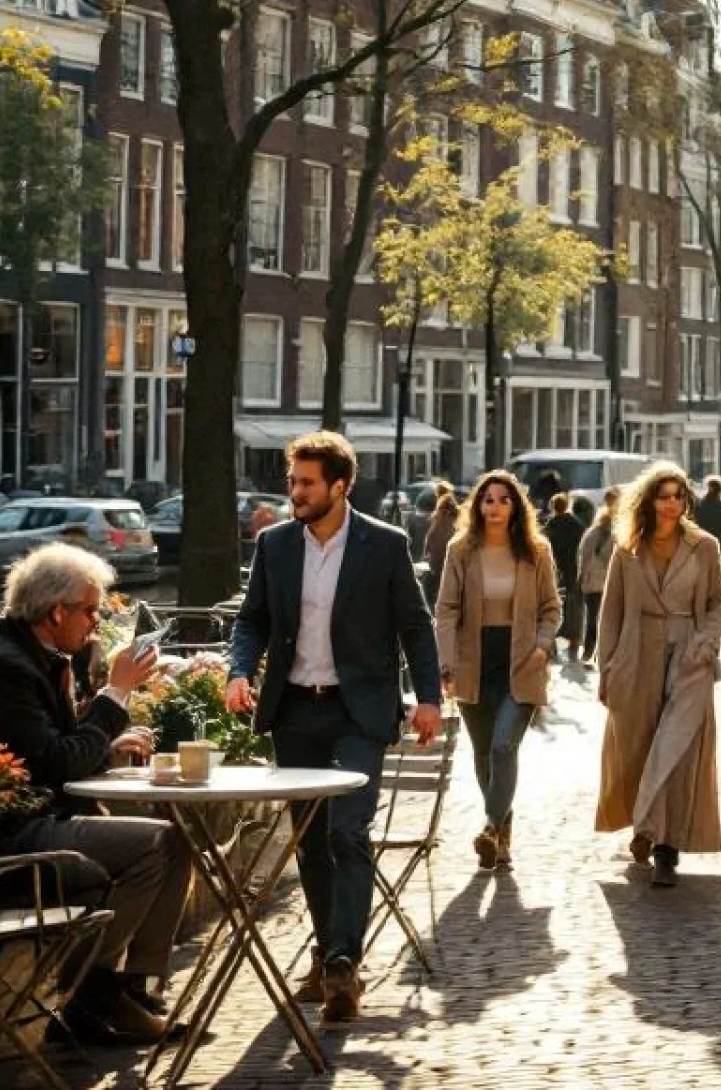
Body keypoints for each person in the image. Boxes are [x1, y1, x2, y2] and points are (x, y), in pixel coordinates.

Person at [0, 543, 192, 1045]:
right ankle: (92, 993)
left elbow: (53, 749)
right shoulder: (5, 667)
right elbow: (58, 764)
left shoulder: (32, 654)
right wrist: (115, 696)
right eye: (90, 611)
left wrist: (107, 742)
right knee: (155, 845)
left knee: (174, 838)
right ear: (56, 612)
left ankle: (131, 989)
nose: (96, 623)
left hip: (27, 819)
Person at [226, 431, 442, 1024]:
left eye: (305, 483)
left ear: (339, 486)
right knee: (311, 843)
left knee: (348, 834)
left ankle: (344, 962)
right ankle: (327, 954)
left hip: (357, 712)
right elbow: (253, 620)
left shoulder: (385, 544)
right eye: (292, 481)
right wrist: (238, 671)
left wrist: (428, 697)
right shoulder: (274, 545)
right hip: (294, 712)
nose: (293, 492)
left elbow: (416, 628)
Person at [595, 463, 721, 887]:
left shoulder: (704, 546)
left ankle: (666, 845)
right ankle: (645, 826)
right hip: (636, 651)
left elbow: (716, 603)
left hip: (688, 654)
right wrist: (607, 666)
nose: (672, 503)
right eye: (664, 495)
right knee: (637, 745)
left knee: (678, 745)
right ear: (649, 500)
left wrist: (705, 645)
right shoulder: (626, 548)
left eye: (678, 496)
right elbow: (610, 611)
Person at [433, 470, 561, 873]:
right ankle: (501, 838)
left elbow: (552, 608)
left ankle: (489, 826)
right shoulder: (461, 550)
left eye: (504, 499)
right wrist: (446, 661)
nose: (495, 506)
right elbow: (446, 609)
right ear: (478, 505)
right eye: (488, 499)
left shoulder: (536, 551)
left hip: (521, 660)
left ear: (516, 506)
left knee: (506, 745)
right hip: (475, 660)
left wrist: (542, 647)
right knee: (486, 753)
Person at [578, 487, 621, 664]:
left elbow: (583, 555)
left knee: (592, 618)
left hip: (592, 583)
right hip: (611, 582)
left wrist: (582, 576)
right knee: (610, 620)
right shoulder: (618, 535)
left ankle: (589, 650)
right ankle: (604, 652)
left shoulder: (591, 533)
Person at [543, 493, 587, 660]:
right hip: (574, 568)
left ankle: (552, 639)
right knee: (574, 604)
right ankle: (574, 639)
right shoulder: (577, 524)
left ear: (553, 507)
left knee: (550, 603)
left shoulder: (551, 525)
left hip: (555, 568)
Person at [422, 480, 458, 602]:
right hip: (448, 548)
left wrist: (427, 549)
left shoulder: (442, 507)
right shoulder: (452, 507)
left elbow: (433, 533)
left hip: (441, 550)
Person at [694, 475, 721, 559]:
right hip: (719, 552)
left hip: (700, 551)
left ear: (706, 489)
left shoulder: (698, 508)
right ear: (720, 491)